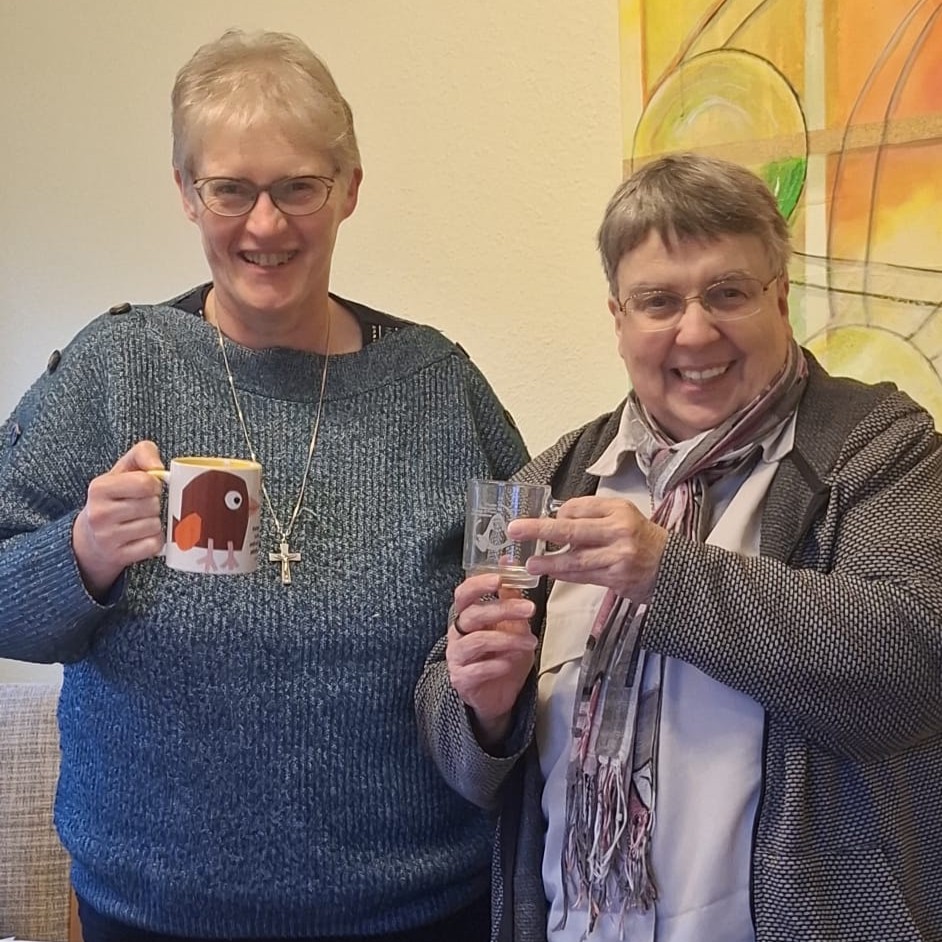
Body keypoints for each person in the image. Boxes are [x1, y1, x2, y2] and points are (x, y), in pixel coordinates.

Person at [0, 29, 528, 942]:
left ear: (350, 188)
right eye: (230, 189)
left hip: (419, 907)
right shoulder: (117, 368)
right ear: (186, 194)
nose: (265, 225)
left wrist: (500, 689)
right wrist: (80, 555)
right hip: (152, 913)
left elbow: (527, 614)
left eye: (298, 188)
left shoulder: (439, 385)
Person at [416, 152, 942, 941]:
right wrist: (484, 708)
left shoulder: (877, 447)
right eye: (658, 301)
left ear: (781, 298)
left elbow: (914, 666)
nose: (694, 331)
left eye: (727, 292)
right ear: (618, 319)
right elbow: (455, 734)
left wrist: (666, 573)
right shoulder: (558, 475)